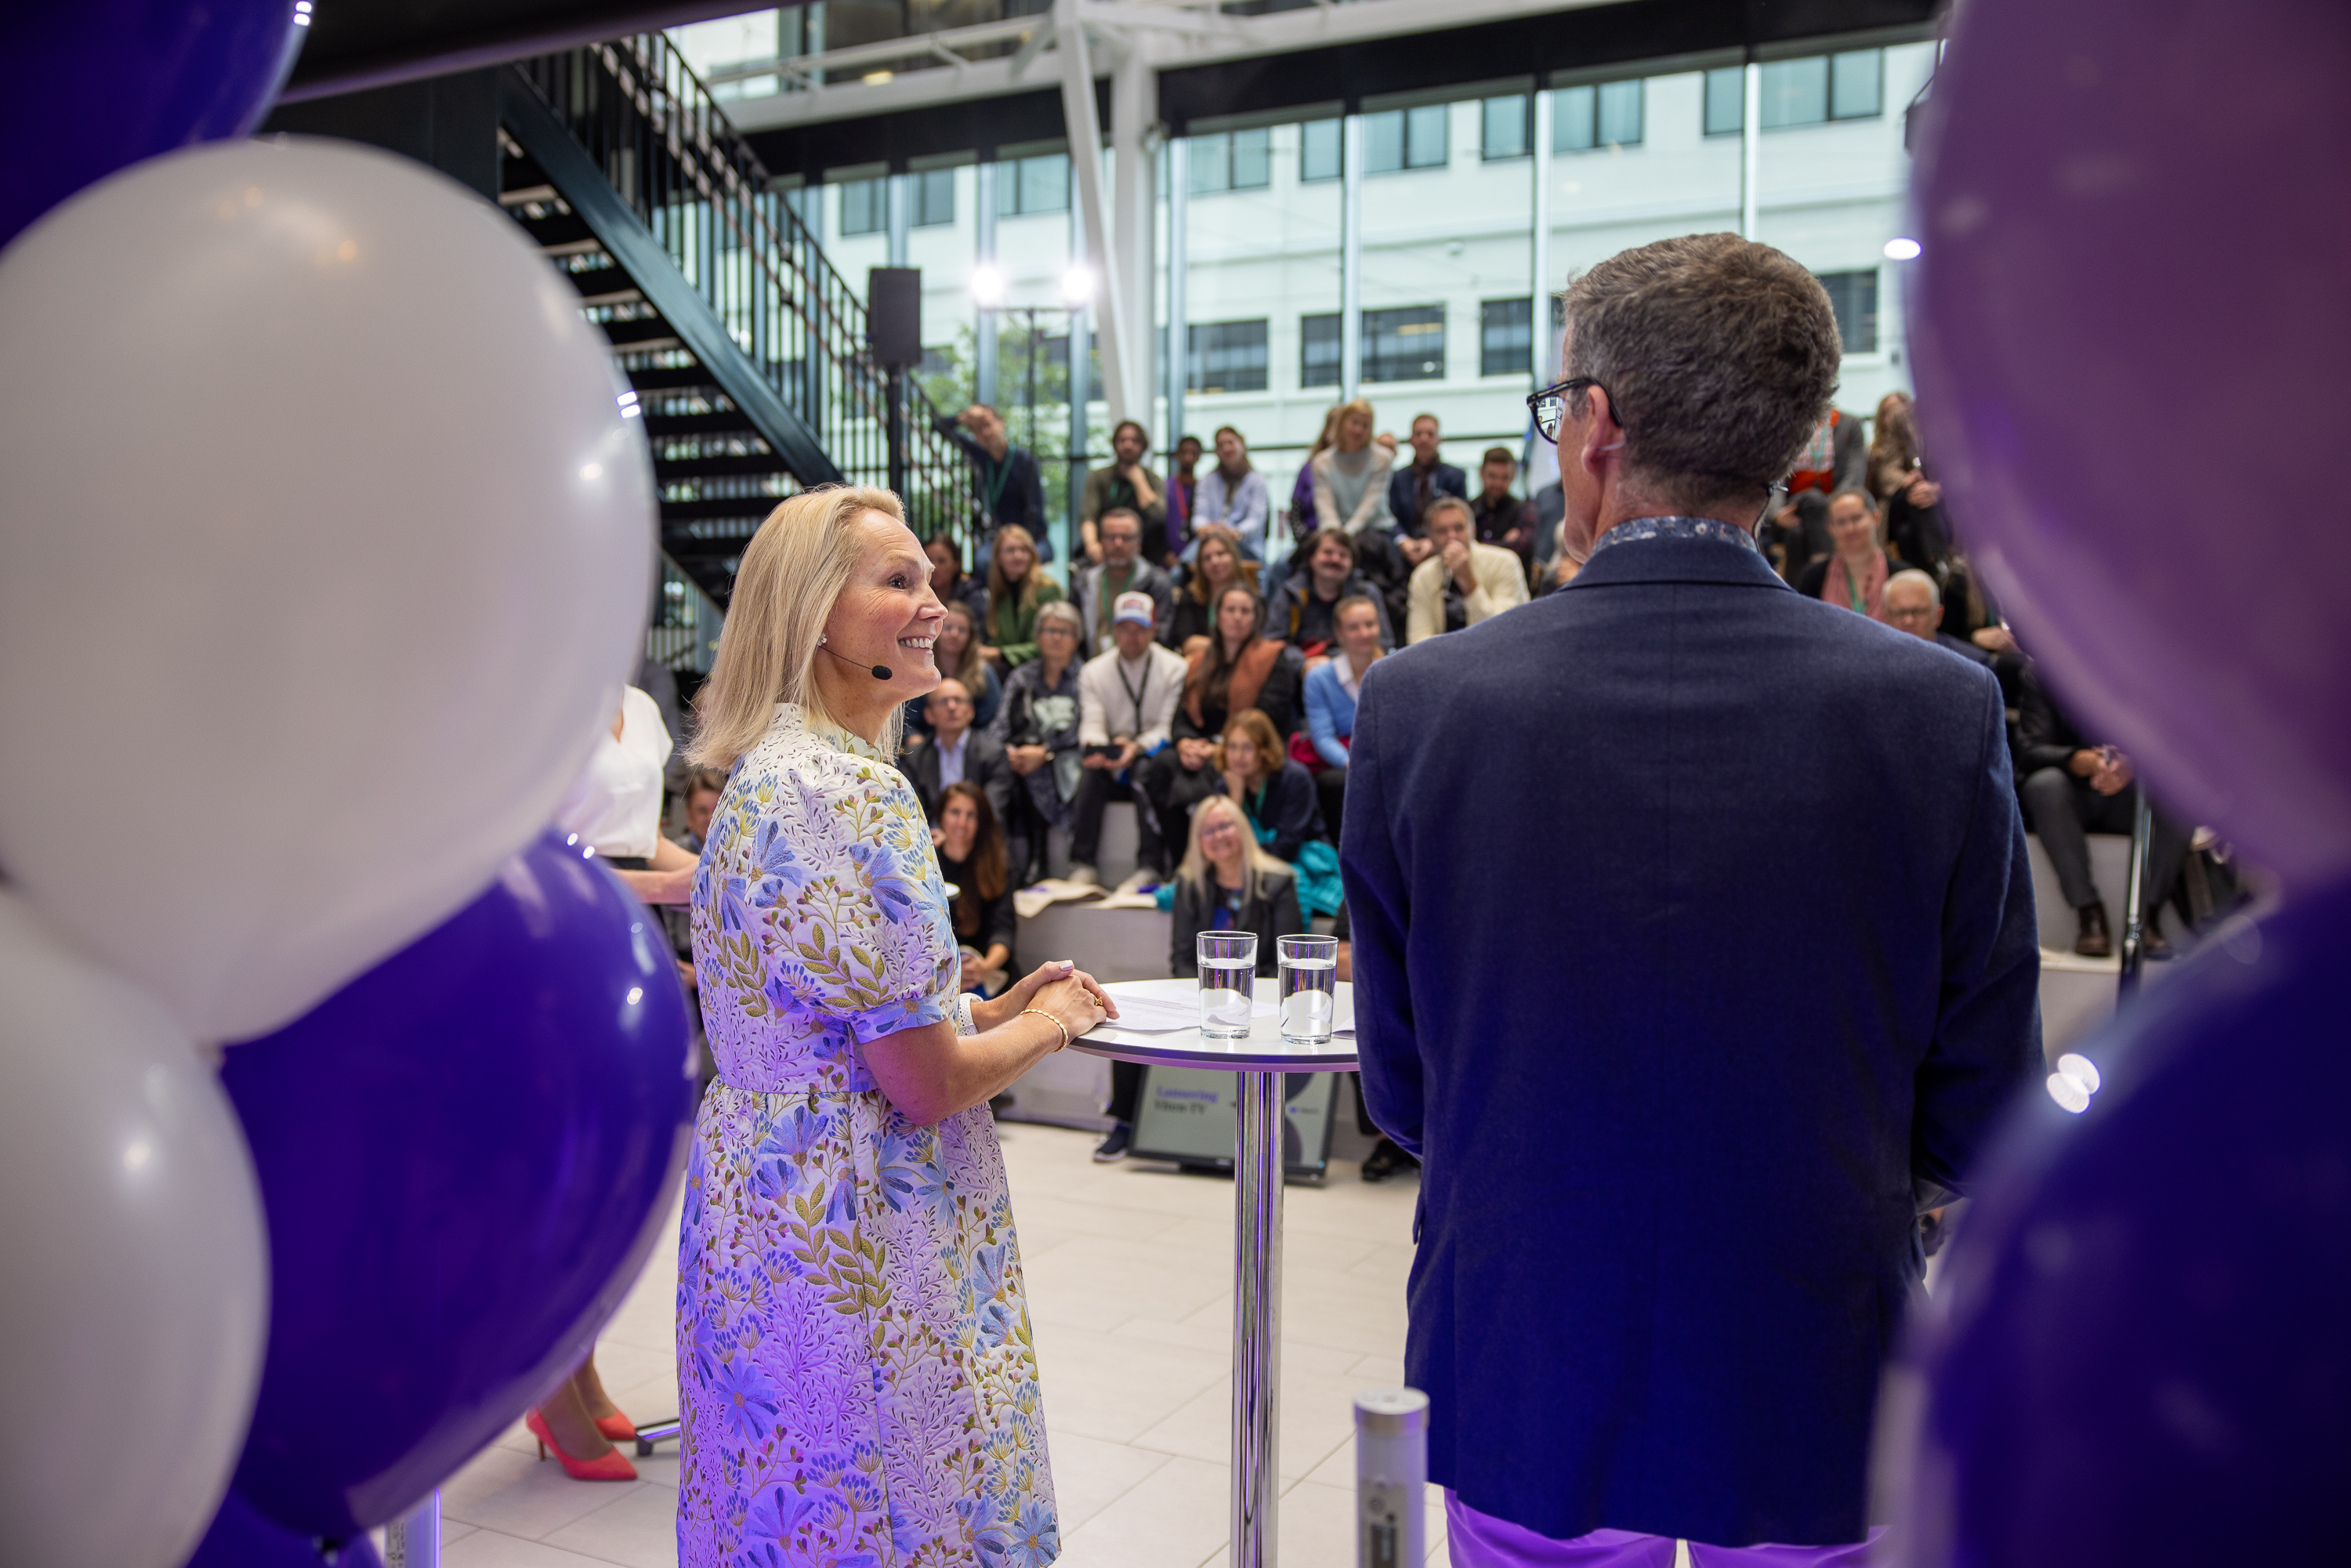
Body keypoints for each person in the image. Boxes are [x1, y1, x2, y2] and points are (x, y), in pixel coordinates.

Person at [1343, 233, 2040, 1564]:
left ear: (1598, 423)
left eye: (1556, 407)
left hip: (1526, 1342)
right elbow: (1980, 1102)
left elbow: (1403, 1086)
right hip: (1815, 1358)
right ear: (1796, 440)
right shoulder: (1939, 710)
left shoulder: (1422, 705)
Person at [675, 483, 1115, 1564]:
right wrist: (1051, 1023)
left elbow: (814, 1017)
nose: (935, 605)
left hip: (769, 1207)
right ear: (816, 614)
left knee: (787, 1497)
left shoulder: (772, 773)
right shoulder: (851, 791)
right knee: (889, 1508)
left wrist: (974, 1010)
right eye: (898, 580)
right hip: (858, 1220)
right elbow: (922, 1084)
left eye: (931, 579)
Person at [531, 685, 692, 1480]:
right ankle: (546, 1387)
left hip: (631, 929)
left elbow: (642, 837)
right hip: (562, 930)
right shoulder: (540, 696)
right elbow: (533, 852)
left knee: (614, 1173)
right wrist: (663, 888)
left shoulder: (641, 706)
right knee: (568, 1171)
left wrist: (721, 868)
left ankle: (581, 1374)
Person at [1094, 792, 1301, 1163]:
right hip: (1202, 999)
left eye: (1225, 826)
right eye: (1208, 830)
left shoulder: (1278, 882)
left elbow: (1284, 962)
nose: (1218, 836)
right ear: (1198, 840)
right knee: (1126, 1020)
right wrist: (1210, 1001)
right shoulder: (1190, 884)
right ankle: (1124, 1122)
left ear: (1242, 829)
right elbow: (1182, 959)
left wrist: (1238, 1001)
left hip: (1261, 1002)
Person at [2016, 664, 2188, 961]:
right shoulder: (2044, 670)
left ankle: (2147, 917)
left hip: (2133, 793)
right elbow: (2029, 750)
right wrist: (2082, 760)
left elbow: (2178, 744)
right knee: (2045, 784)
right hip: (2071, 791)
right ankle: (2088, 912)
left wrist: (2133, 764)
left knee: (2182, 794)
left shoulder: (2156, 669)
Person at [1139, 584, 1302, 854]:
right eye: (1230, 610)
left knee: (1221, 770)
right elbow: (1181, 716)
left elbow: (1268, 716)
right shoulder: (1199, 661)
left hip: (1250, 747)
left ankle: (1217, 855)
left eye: (1245, 611)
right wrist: (1185, 743)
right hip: (1204, 745)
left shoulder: (1273, 657)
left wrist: (1223, 748)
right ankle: (1182, 857)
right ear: (1218, 616)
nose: (1237, 617)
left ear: (1256, 618)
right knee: (1161, 766)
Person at [1071, 591, 1188, 884]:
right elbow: (1092, 722)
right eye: (1125, 628)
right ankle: (1082, 863)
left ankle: (1150, 864)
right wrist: (1099, 749)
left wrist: (1136, 747)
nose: (1132, 637)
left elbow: (1167, 728)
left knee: (1148, 770)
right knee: (1090, 772)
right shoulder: (1093, 671)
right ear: (1114, 630)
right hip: (1114, 752)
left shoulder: (1175, 667)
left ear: (1154, 630)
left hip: (1149, 753)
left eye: (1140, 629)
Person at [987, 599, 1086, 884]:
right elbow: (1001, 723)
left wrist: (1045, 752)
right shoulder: (1022, 676)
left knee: (1043, 769)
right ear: (1037, 637)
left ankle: (1039, 857)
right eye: (1049, 630)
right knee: (999, 768)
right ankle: (1003, 861)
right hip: (1024, 754)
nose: (1055, 638)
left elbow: (1084, 725)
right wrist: (1008, 751)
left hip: (1068, 753)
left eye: (1064, 632)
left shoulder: (1085, 676)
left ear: (1076, 640)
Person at [1302, 593, 1382, 838]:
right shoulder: (1319, 678)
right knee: (1340, 784)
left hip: (1386, 755)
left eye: (1370, 624)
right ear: (1339, 633)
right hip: (1345, 761)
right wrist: (1351, 763)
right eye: (1353, 627)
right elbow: (1323, 737)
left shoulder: (1395, 670)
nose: (1364, 633)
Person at [1406, 495, 1528, 643]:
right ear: (1430, 537)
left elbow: (1503, 631)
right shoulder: (1423, 575)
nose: (1452, 537)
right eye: (1442, 531)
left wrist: (1467, 580)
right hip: (1445, 655)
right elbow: (1418, 640)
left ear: (1473, 530)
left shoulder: (1504, 563)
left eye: (1459, 528)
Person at [898, 676, 1015, 831]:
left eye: (958, 700)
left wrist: (952, 837)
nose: (951, 707)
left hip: (978, 837)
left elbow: (992, 812)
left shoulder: (994, 754)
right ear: (929, 715)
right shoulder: (915, 758)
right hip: (931, 838)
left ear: (971, 711)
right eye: (943, 701)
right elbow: (911, 813)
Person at [934, 780, 1017, 996]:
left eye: (971, 815)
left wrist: (983, 969)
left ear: (981, 822)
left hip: (988, 973)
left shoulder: (997, 867)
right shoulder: (926, 865)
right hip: (939, 976)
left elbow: (1003, 931)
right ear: (941, 817)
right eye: (955, 812)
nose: (962, 823)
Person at [936, 403, 1051, 558]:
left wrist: (1022, 544)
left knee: (1028, 557)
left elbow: (1035, 508)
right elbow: (937, 427)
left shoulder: (1025, 461)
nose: (985, 433)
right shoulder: (981, 457)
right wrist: (963, 418)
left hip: (1029, 536)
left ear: (1001, 422)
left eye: (988, 425)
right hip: (998, 538)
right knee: (982, 560)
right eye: (977, 430)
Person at [1765, 406, 1865, 583]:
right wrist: (1777, 514)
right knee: (1812, 498)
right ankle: (1824, 574)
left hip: (1834, 511)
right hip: (1792, 510)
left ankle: (1800, 590)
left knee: (1796, 535)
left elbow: (1854, 474)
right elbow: (1774, 477)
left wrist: (1837, 509)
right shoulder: (1784, 425)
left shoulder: (1850, 425)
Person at [1265, 527, 1396, 661]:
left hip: (1355, 667)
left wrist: (1334, 663)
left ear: (1352, 564)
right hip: (1300, 669)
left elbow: (1383, 643)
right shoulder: (1290, 593)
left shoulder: (1366, 594)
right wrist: (1303, 663)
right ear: (1311, 558)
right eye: (1328, 552)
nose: (1335, 559)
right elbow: (1272, 642)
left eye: (1343, 555)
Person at [1215, 705, 1324, 863]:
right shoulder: (1226, 784)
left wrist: (1240, 858)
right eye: (1232, 747)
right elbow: (1220, 843)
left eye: (1247, 747)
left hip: (1305, 860)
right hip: (1248, 863)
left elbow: (1287, 847)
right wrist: (1235, 801)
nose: (1238, 756)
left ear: (1265, 750)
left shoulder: (1295, 779)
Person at [1867, 391, 1952, 576]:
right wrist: (1905, 479)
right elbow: (1887, 471)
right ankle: (1940, 561)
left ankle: (1928, 578)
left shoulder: (1959, 413)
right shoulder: (1902, 417)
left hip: (1943, 504)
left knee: (1906, 534)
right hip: (1903, 498)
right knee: (1916, 493)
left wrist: (1938, 489)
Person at [1071, 506, 1175, 654]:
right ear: (1100, 541)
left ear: (1139, 544)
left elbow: (1161, 637)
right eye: (1111, 537)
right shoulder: (1083, 584)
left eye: (1126, 538)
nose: (1118, 543)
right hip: (1091, 665)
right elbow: (1074, 636)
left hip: (1140, 664)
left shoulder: (1156, 584)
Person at [901, 599, 1002, 741]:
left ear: (971, 636)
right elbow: (908, 720)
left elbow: (994, 720)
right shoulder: (919, 669)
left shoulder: (984, 672)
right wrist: (915, 742)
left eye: (962, 630)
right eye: (948, 628)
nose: (954, 634)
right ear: (935, 631)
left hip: (973, 745)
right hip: (927, 745)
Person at [1795, 489, 1900, 623]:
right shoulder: (1813, 578)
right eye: (1841, 522)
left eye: (1856, 518)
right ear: (1831, 529)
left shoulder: (1901, 575)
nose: (1850, 529)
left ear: (1876, 518)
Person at [1079, 418, 1166, 567]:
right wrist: (1092, 546)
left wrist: (1139, 481)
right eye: (1122, 440)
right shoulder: (1099, 476)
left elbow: (1158, 515)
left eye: (1134, 441)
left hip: (1144, 552)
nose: (1128, 445)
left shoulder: (1152, 478)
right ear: (1114, 444)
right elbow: (1088, 516)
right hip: (1105, 547)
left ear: (1143, 446)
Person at [1159, 523, 1256, 650]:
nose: (1214, 561)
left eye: (1221, 554)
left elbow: (1256, 643)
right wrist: (1230, 646)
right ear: (1200, 565)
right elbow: (1187, 643)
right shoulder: (1191, 596)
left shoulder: (1252, 597)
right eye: (1207, 558)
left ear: (1234, 557)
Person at [1312, 399, 1396, 540]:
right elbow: (1325, 507)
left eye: (1365, 425)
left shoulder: (1383, 459)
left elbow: (1371, 506)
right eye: (1355, 422)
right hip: (1334, 533)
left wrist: (1346, 536)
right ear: (1342, 423)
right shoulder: (1321, 463)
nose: (1359, 430)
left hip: (1374, 531)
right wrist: (1336, 537)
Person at [984, 523, 1065, 669]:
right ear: (998, 557)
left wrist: (1000, 654)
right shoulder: (999, 593)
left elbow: (1047, 644)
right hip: (1009, 668)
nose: (1018, 556)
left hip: (1042, 668)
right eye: (1010, 550)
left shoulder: (1048, 590)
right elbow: (997, 639)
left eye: (1024, 549)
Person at [1387, 412, 1467, 559]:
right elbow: (1390, 516)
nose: (1424, 439)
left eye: (1430, 434)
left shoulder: (1455, 476)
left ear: (1439, 439)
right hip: (1404, 550)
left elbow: (1459, 517)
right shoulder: (1397, 478)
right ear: (1411, 440)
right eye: (1418, 434)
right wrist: (1403, 540)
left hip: (1444, 546)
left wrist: (1433, 541)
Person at [1195, 425, 1271, 561]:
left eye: (1230, 443)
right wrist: (1204, 528)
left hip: (1246, 546)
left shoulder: (1257, 481)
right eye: (1221, 445)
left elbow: (1256, 520)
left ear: (1242, 445)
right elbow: (1199, 515)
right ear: (1216, 452)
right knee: (1180, 570)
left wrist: (1236, 532)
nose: (1226, 448)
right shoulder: (1207, 481)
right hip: (1211, 542)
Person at [1469, 446, 1537, 563]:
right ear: (1481, 473)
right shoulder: (1468, 509)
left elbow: (1523, 547)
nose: (1498, 483)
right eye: (1492, 476)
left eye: (1505, 477)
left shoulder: (1525, 509)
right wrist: (1505, 544)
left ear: (1513, 476)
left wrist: (1476, 546)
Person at [923, 531, 991, 625]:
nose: (934, 567)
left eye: (941, 561)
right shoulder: (917, 594)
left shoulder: (972, 595)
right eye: (929, 560)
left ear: (956, 564)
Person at [1162, 434, 1203, 566]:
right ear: (1177, 455)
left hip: (1195, 559)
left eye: (1193, 453)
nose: (1188, 458)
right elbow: (1157, 524)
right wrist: (1164, 552)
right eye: (1184, 452)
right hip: (1167, 558)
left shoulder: (1203, 490)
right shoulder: (1166, 487)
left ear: (1199, 457)